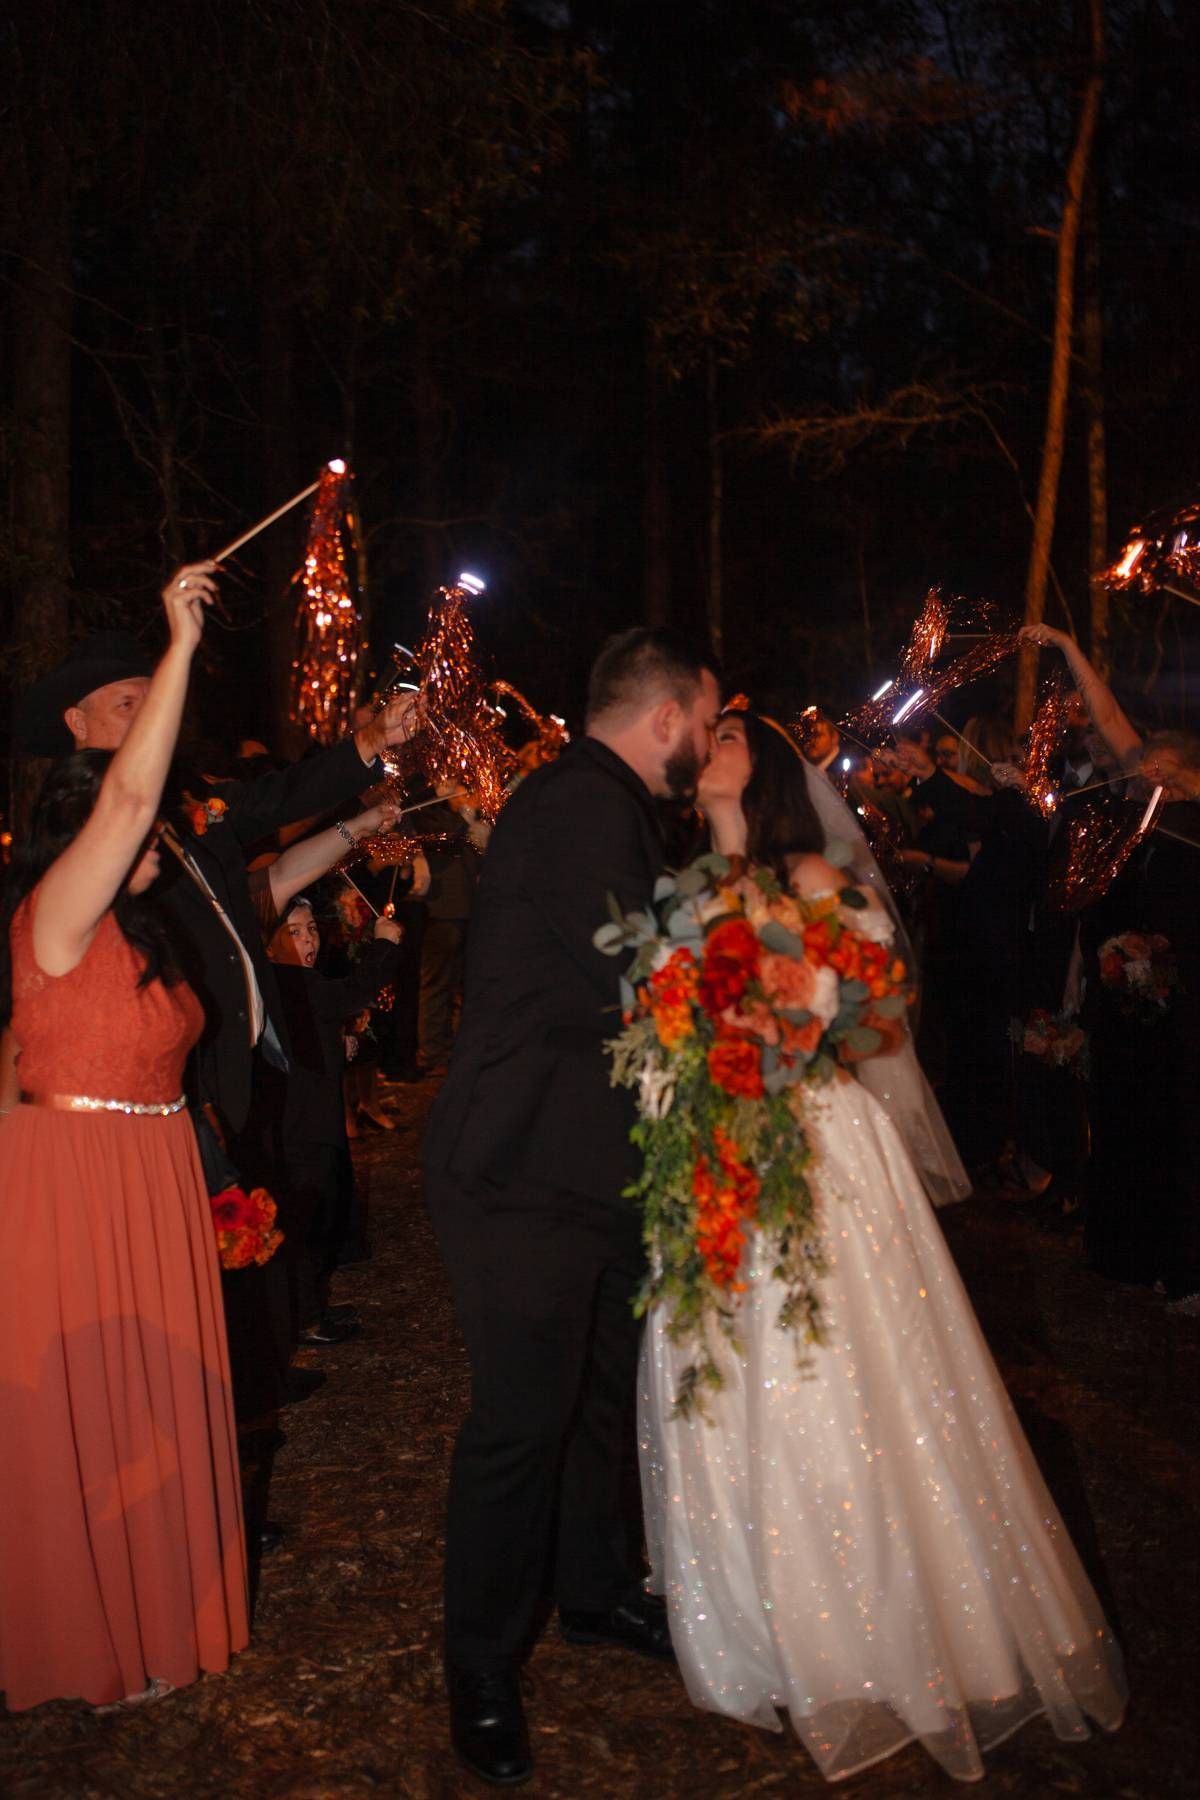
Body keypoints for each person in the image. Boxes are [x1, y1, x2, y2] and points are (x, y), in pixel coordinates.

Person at [640, 706, 1127, 1784]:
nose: (707, 746)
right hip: (717, 1153)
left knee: (834, 1377)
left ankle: (868, 1630)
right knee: (730, 1379)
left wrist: (784, 1037)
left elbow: (875, 1023)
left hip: (815, 1149)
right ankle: (761, 1619)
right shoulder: (685, 888)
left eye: (727, 735)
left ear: (765, 769)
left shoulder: (814, 878)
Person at [423, 626, 721, 1786]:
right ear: (666, 718)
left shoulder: (605, 803)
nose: (709, 742)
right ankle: (481, 1667)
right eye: (707, 721)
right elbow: (643, 975)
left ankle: (593, 1592)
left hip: (594, 1159)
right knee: (520, 1421)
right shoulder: (582, 804)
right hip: (522, 1168)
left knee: (600, 1399)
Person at [0, 563, 250, 1711]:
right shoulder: (54, 913)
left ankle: (153, 1619)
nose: (152, 827)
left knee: (144, 1404)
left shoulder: (138, 934)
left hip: (150, 1176)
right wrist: (179, 647)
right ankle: (77, 1639)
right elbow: (130, 797)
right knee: (81, 1419)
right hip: (75, 1188)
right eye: (126, 819)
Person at [1020, 623, 1200, 1305]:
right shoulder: (1136, 818)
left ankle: (1183, 1264)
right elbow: (1110, 719)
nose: (1148, 781)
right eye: (1144, 770)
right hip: (1125, 1007)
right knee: (1123, 1118)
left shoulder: (1192, 818)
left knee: (1178, 1130)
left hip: (1185, 1014)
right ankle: (1124, 1253)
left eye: (1163, 773)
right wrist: (1067, 648)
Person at [263, 895, 401, 1344]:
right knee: (307, 1224)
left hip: (309, 1120)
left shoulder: (289, 982)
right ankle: (305, 1318)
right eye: (294, 932)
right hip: (303, 1126)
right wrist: (383, 945)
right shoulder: (290, 981)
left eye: (311, 930)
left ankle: (312, 1307)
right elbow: (353, 992)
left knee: (316, 1218)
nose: (308, 941)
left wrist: (339, 1047)